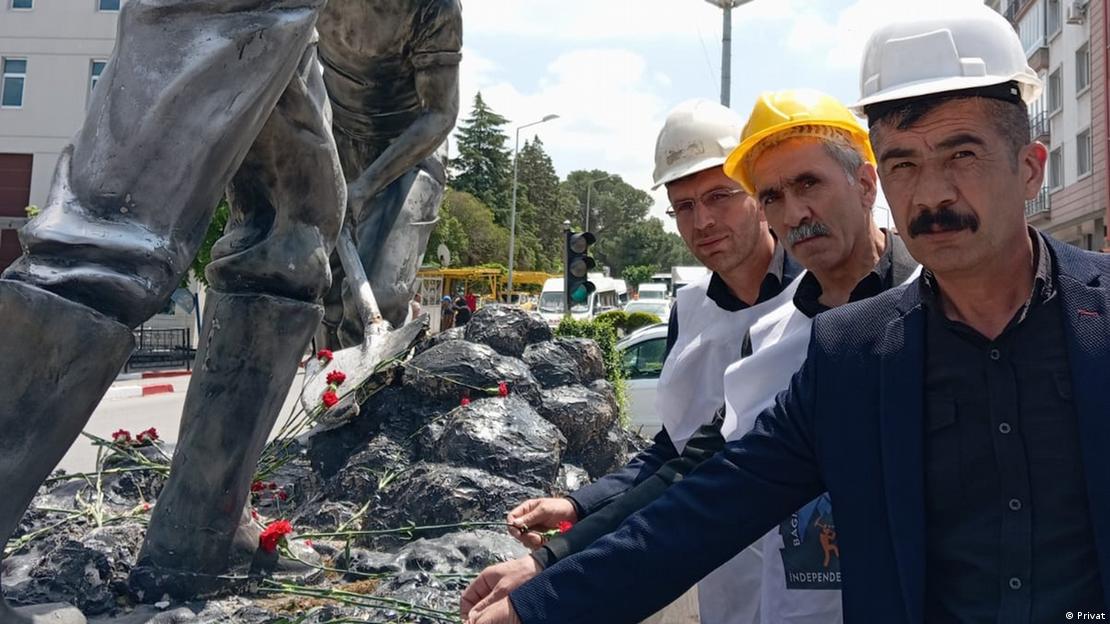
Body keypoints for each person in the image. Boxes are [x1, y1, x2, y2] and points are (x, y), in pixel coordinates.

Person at [465, 5, 1110, 623]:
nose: (933, 193)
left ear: (1030, 169)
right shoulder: (850, 354)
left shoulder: (1097, 317)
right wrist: (545, 595)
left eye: (962, 156)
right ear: (881, 178)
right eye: (904, 164)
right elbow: (709, 496)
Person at [462, 90, 920, 624]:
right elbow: (694, 471)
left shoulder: (937, 303)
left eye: (721, 196)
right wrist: (554, 563)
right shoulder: (769, 340)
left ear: (866, 184)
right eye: (774, 194)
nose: (795, 211)